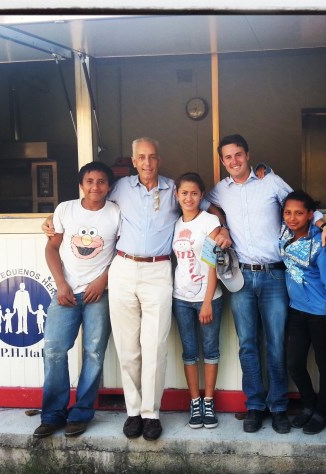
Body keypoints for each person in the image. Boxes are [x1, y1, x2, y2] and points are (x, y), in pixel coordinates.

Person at [42, 137, 231, 441]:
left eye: (152, 157)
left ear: (159, 159)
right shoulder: (119, 187)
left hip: (158, 270)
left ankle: (151, 414)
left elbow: (206, 209)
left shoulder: (173, 189)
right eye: (141, 157)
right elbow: (90, 201)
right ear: (133, 161)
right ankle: (133, 412)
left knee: (154, 347)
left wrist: (221, 228)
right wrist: (54, 220)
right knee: (128, 348)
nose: (147, 163)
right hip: (123, 268)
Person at [205, 134, 326, 434]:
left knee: (276, 343)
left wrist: (325, 225)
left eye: (238, 154)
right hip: (241, 277)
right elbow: (203, 204)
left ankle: (278, 407)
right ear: (222, 161)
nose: (234, 161)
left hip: (275, 276)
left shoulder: (270, 182)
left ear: (248, 154)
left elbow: (301, 205)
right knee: (247, 344)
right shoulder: (221, 190)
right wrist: (220, 223)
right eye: (227, 157)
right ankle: (255, 406)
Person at [33, 161, 120, 439]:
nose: (96, 186)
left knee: (94, 354)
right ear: (81, 185)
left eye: (102, 181)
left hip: (100, 294)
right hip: (66, 293)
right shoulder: (65, 210)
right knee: (54, 350)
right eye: (90, 181)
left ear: (109, 186)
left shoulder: (116, 213)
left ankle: (81, 413)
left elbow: (123, 251)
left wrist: (101, 281)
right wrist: (60, 284)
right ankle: (53, 415)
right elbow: (52, 248)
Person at [280, 190, 326, 435]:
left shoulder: (323, 242)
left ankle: (322, 412)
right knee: (294, 363)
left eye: (299, 213)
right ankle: (308, 405)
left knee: (324, 364)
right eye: (288, 212)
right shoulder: (284, 233)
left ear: (310, 214)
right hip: (296, 312)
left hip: (321, 314)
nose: (292, 218)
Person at [172, 172, 223, 429]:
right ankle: (195, 401)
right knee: (189, 352)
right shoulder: (175, 223)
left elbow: (211, 263)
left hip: (208, 297)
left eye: (194, 193)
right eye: (184, 193)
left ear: (201, 195)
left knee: (210, 350)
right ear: (176, 195)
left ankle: (209, 401)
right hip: (180, 297)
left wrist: (206, 301)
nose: (188, 198)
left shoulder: (209, 222)